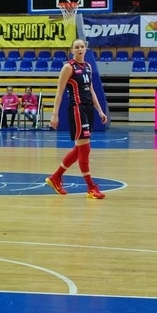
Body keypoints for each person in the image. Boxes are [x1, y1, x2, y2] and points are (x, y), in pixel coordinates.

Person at [45, 38, 108, 199]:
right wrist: (54, 114)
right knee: (85, 148)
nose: (80, 49)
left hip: (88, 109)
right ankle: (90, 187)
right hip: (77, 109)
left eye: (82, 47)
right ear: (72, 50)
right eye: (76, 47)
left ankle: (56, 177)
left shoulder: (87, 66)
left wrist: (100, 111)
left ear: (85, 49)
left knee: (80, 148)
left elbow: (91, 90)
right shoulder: (68, 67)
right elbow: (59, 93)